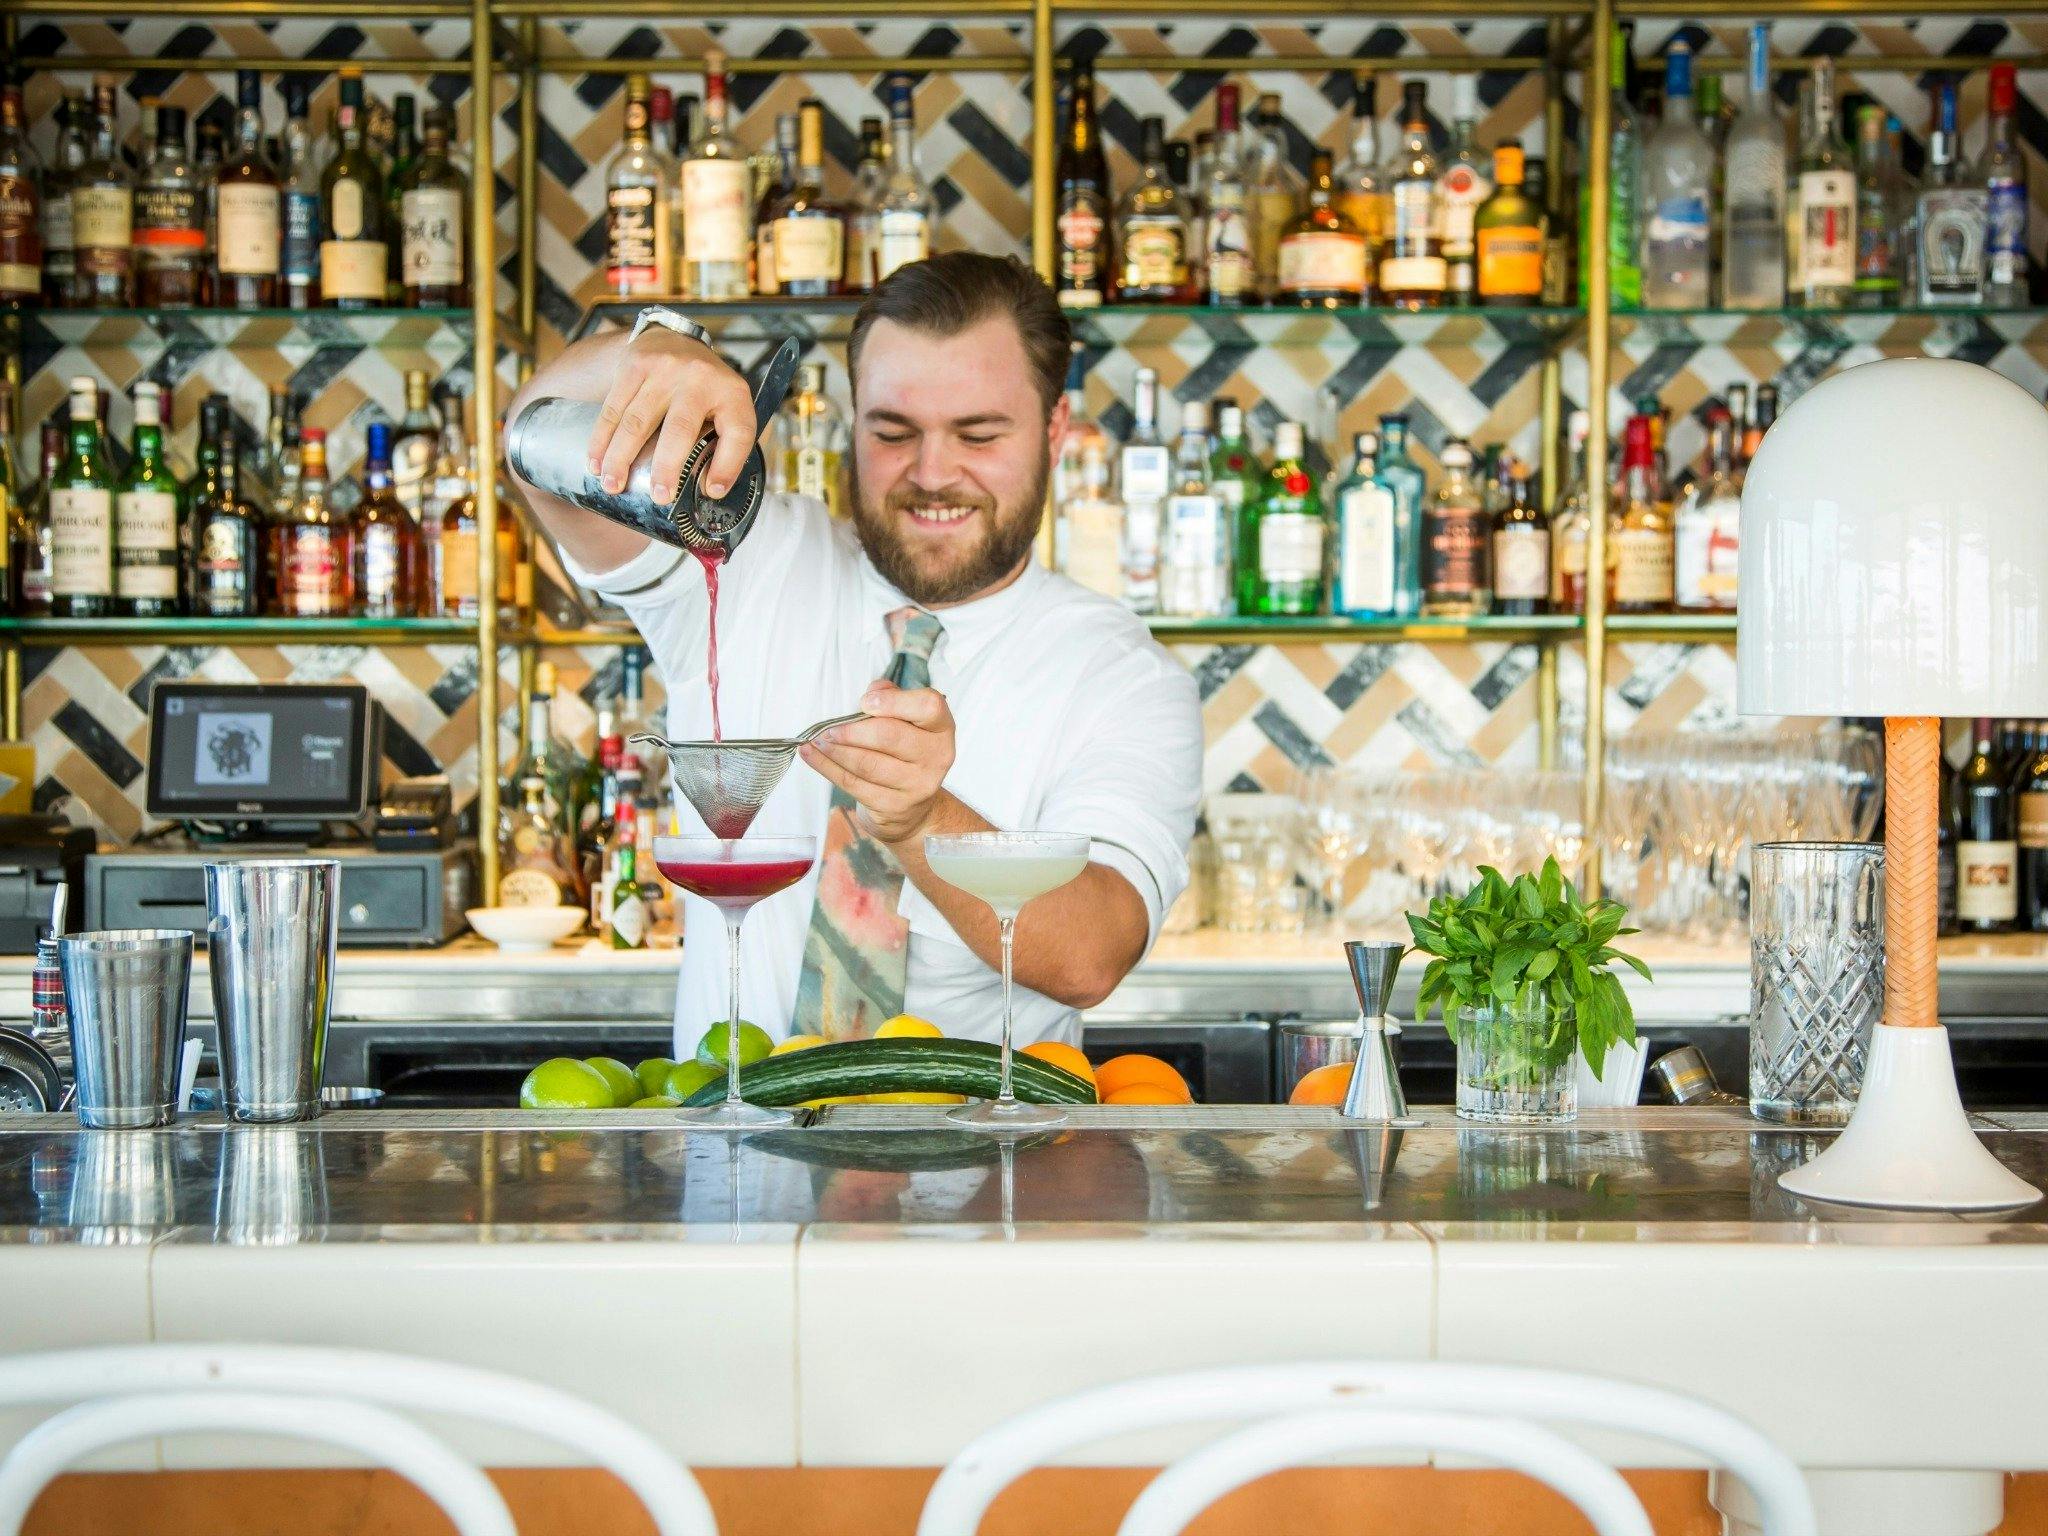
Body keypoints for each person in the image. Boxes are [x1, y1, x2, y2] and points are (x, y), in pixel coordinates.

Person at [508, 253, 1202, 1049]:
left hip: (988, 1166)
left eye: (978, 434)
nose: (933, 474)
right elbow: (532, 448)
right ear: (850, 422)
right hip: (730, 1151)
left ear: (1053, 429)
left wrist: (922, 822)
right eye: (893, 432)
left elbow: (1092, 956)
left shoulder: (1122, 675)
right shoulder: (740, 553)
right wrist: (654, 351)